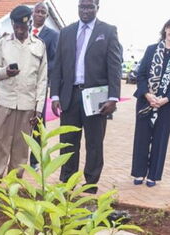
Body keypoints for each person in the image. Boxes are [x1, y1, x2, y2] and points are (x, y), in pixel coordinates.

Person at [50, 0, 122, 194]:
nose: (86, 10)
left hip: (96, 98)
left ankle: (90, 185)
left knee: (94, 143)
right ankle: (67, 182)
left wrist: (113, 98)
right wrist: (55, 95)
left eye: (90, 6)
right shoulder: (66, 32)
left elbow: (115, 67)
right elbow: (57, 66)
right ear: (78, 7)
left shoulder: (107, 31)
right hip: (70, 96)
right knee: (67, 142)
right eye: (83, 6)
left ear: (98, 8)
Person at [0, 5, 47, 182]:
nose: (19, 30)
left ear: (29, 24)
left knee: (21, 146)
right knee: (0, 142)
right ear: (12, 24)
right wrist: (6, 72)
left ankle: (15, 181)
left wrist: (39, 107)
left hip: (27, 104)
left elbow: (42, 79)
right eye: (16, 27)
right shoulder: (2, 43)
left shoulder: (39, 45)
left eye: (22, 27)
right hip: (5, 101)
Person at [131, 16, 170, 187]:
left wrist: (166, 99)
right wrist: (147, 95)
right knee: (142, 138)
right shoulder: (151, 50)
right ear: (165, 29)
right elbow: (141, 75)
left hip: (167, 104)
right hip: (145, 102)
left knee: (160, 139)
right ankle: (138, 173)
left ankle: (153, 176)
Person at [29, 1, 59, 171]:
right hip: (24, 85)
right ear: (33, 13)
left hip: (40, 85)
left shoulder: (52, 35)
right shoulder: (25, 31)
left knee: (38, 122)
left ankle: (35, 160)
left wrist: (43, 75)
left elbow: (54, 61)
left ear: (46, 16)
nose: (39, 14)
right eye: (37, 11)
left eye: (43, 12)